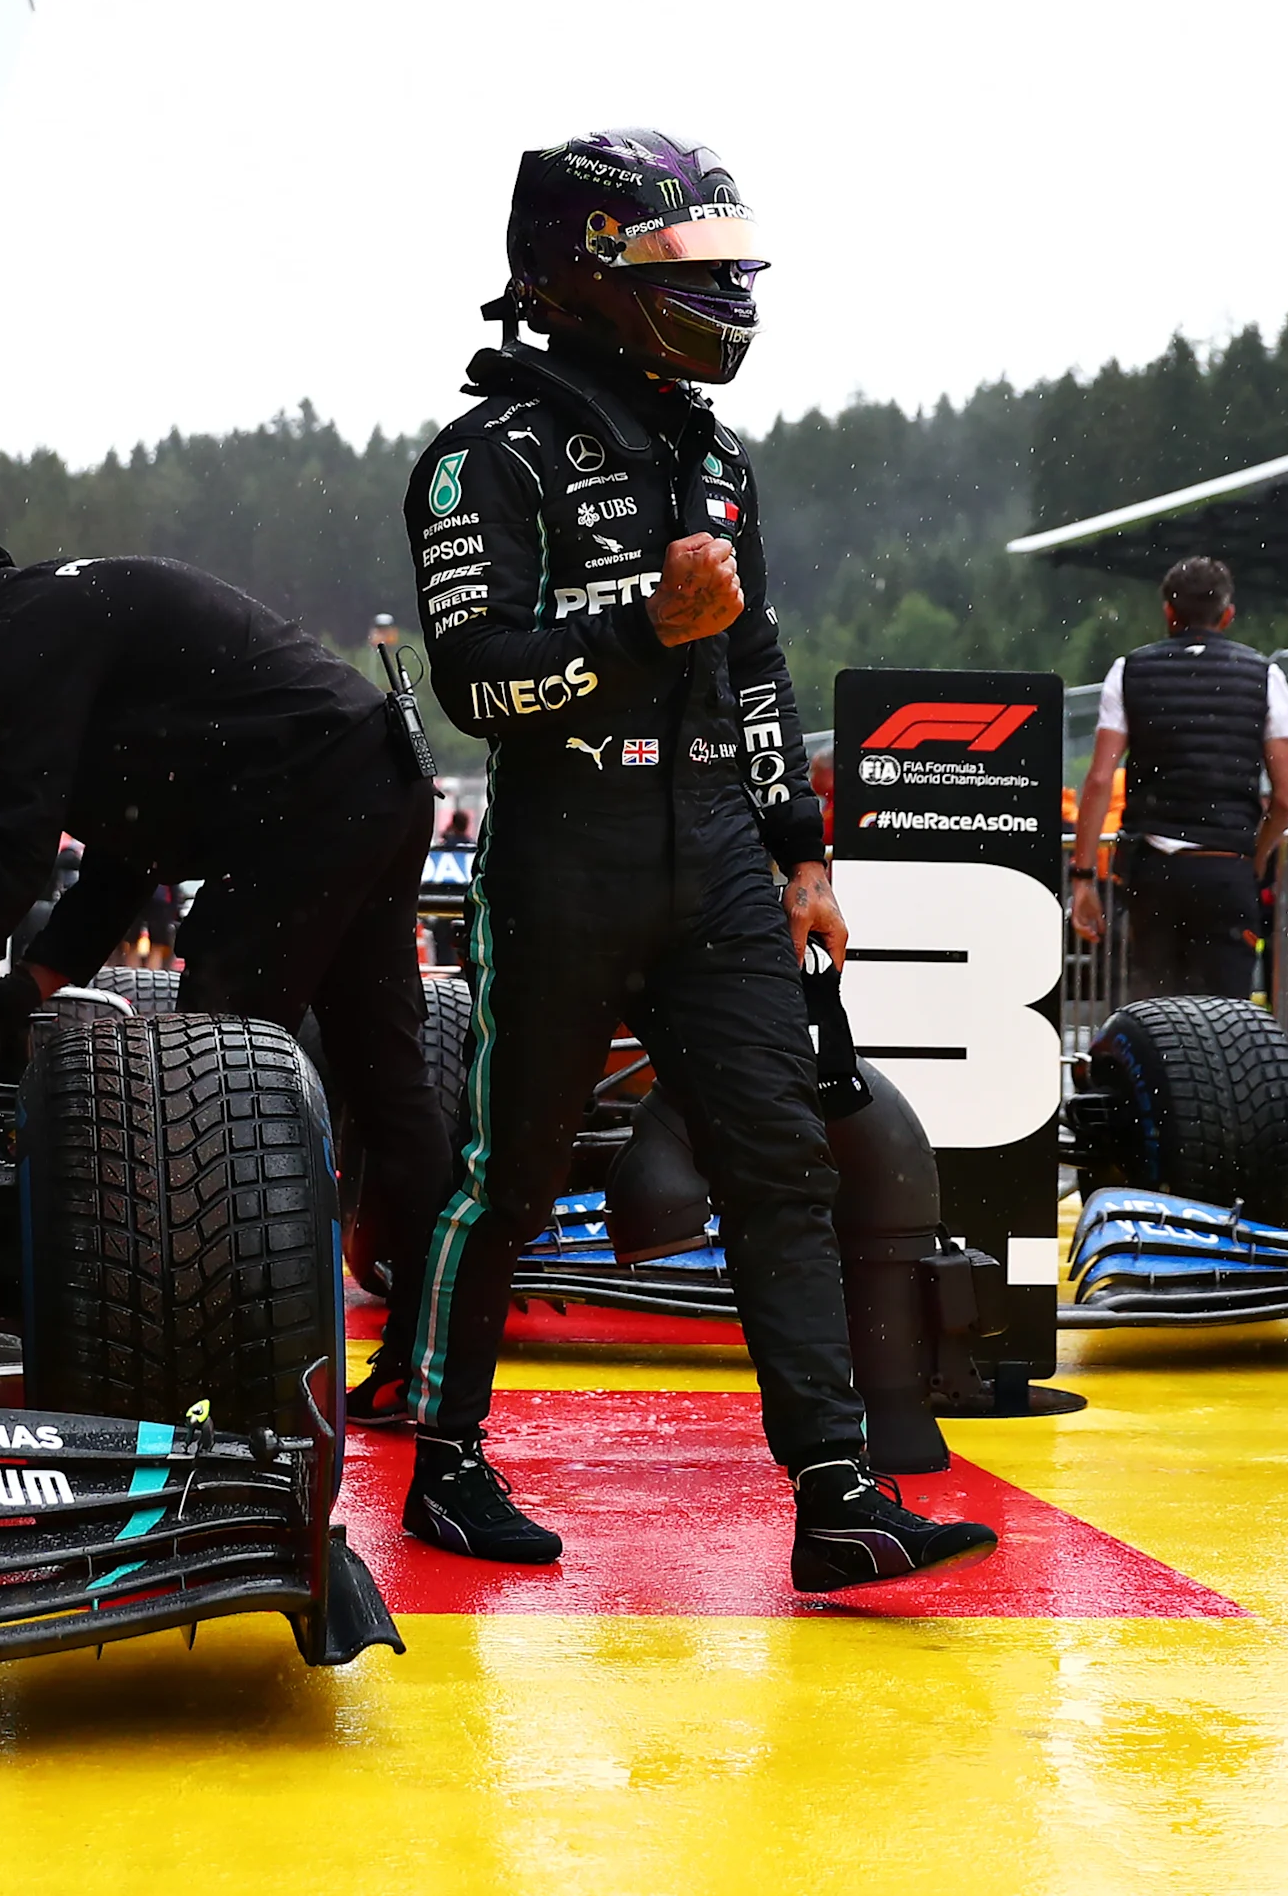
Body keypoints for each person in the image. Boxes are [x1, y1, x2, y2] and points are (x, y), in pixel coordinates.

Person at [379, 129, 996, 1587]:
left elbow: (762, 667)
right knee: (506, 1179)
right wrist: (637, 631)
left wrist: (802, 855)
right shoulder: (483, 463)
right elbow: (477, 685)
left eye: (731, 264)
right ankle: (448, 1466)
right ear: (581, 277)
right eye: (689, 267)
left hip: (721, 860)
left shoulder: (720, 459)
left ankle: (838, 1495)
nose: (726, 291)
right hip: (561, 865)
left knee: (785, 1174)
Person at [0, 512, 453, 1328]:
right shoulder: (53, 617)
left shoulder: (15, 641)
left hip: (317, 795)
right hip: (378, 769)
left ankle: (217, 1330)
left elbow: (13, 854)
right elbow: (129, 845)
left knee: (213, 1072)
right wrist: (31, 984)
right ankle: (430, 1344)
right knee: (384, 1075)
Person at [1067, 557, 1288, 1000]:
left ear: (1168, 612)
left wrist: (1083, 878)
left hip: (1154, 868)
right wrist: (1254, 857)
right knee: (1226, 1017)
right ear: (1227, 615)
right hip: (1226, 867)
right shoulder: (1264, 676)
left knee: (1156, 1011)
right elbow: (1285, 799)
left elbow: (1099, 780)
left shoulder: (1129, 671)